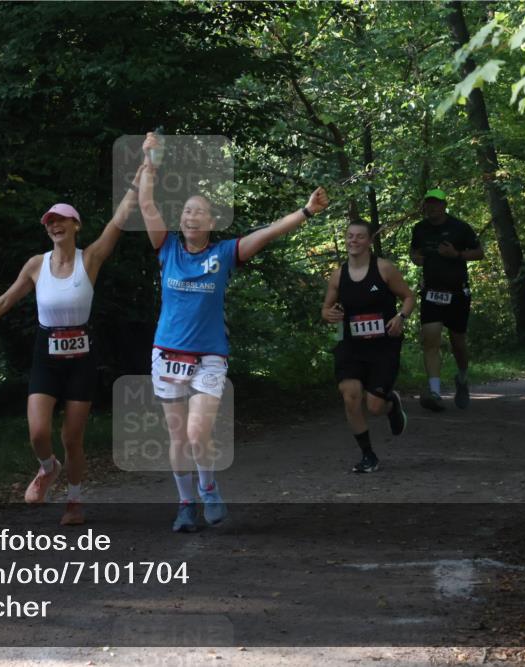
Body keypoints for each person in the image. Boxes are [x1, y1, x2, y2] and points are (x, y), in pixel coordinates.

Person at [138, 131, 329, 532]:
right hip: (167, 354)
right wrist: (150, 164)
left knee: (196, 432)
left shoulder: (224, 254)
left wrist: (306, 212)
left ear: (211, 222)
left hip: (209, 355)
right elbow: (146, 204)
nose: (191, 217)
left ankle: (208, 487)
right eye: (187, 211)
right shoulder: (166, 248)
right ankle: (185, 505)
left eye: (199, 213)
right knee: (177, 438)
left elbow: (269, 232)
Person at [0, 167, 142, 525]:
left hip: (82, 356)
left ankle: (73, 501)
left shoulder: (92, 258)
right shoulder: (36, 265)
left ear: (76, 225)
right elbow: (6, 301)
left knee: (72, 437)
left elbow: (120, 218)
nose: (55, 226)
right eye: (50, 223)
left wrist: (141, 175)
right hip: (46, 353)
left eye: (62, 221)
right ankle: (47, 468)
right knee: (38, 433)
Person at [322, 221, 415, 473]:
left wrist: (400, 318)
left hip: (383, 346)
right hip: (351, 346)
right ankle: (368, 455)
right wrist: (329, 314)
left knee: (375, 407)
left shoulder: (384, 269)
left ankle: (391, 405)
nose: (354, 240)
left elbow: (408, 297)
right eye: (350, 236)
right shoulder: (338, 275)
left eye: (360, 237)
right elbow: (326, 308)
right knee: (350, 394)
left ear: (369, 241)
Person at [409, 188, 484, 411]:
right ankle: (435, 391)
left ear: (444, 205)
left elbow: (480, 253)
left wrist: (457, 255)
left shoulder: (460, 227)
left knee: (458, 342)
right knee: (430, 340)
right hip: (431, 293)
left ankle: (462, 377)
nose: (432, 208)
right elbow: (414, 253)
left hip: (457, 293)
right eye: (428, 204)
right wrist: (416, 259)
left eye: (436, 204)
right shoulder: (419, 229)